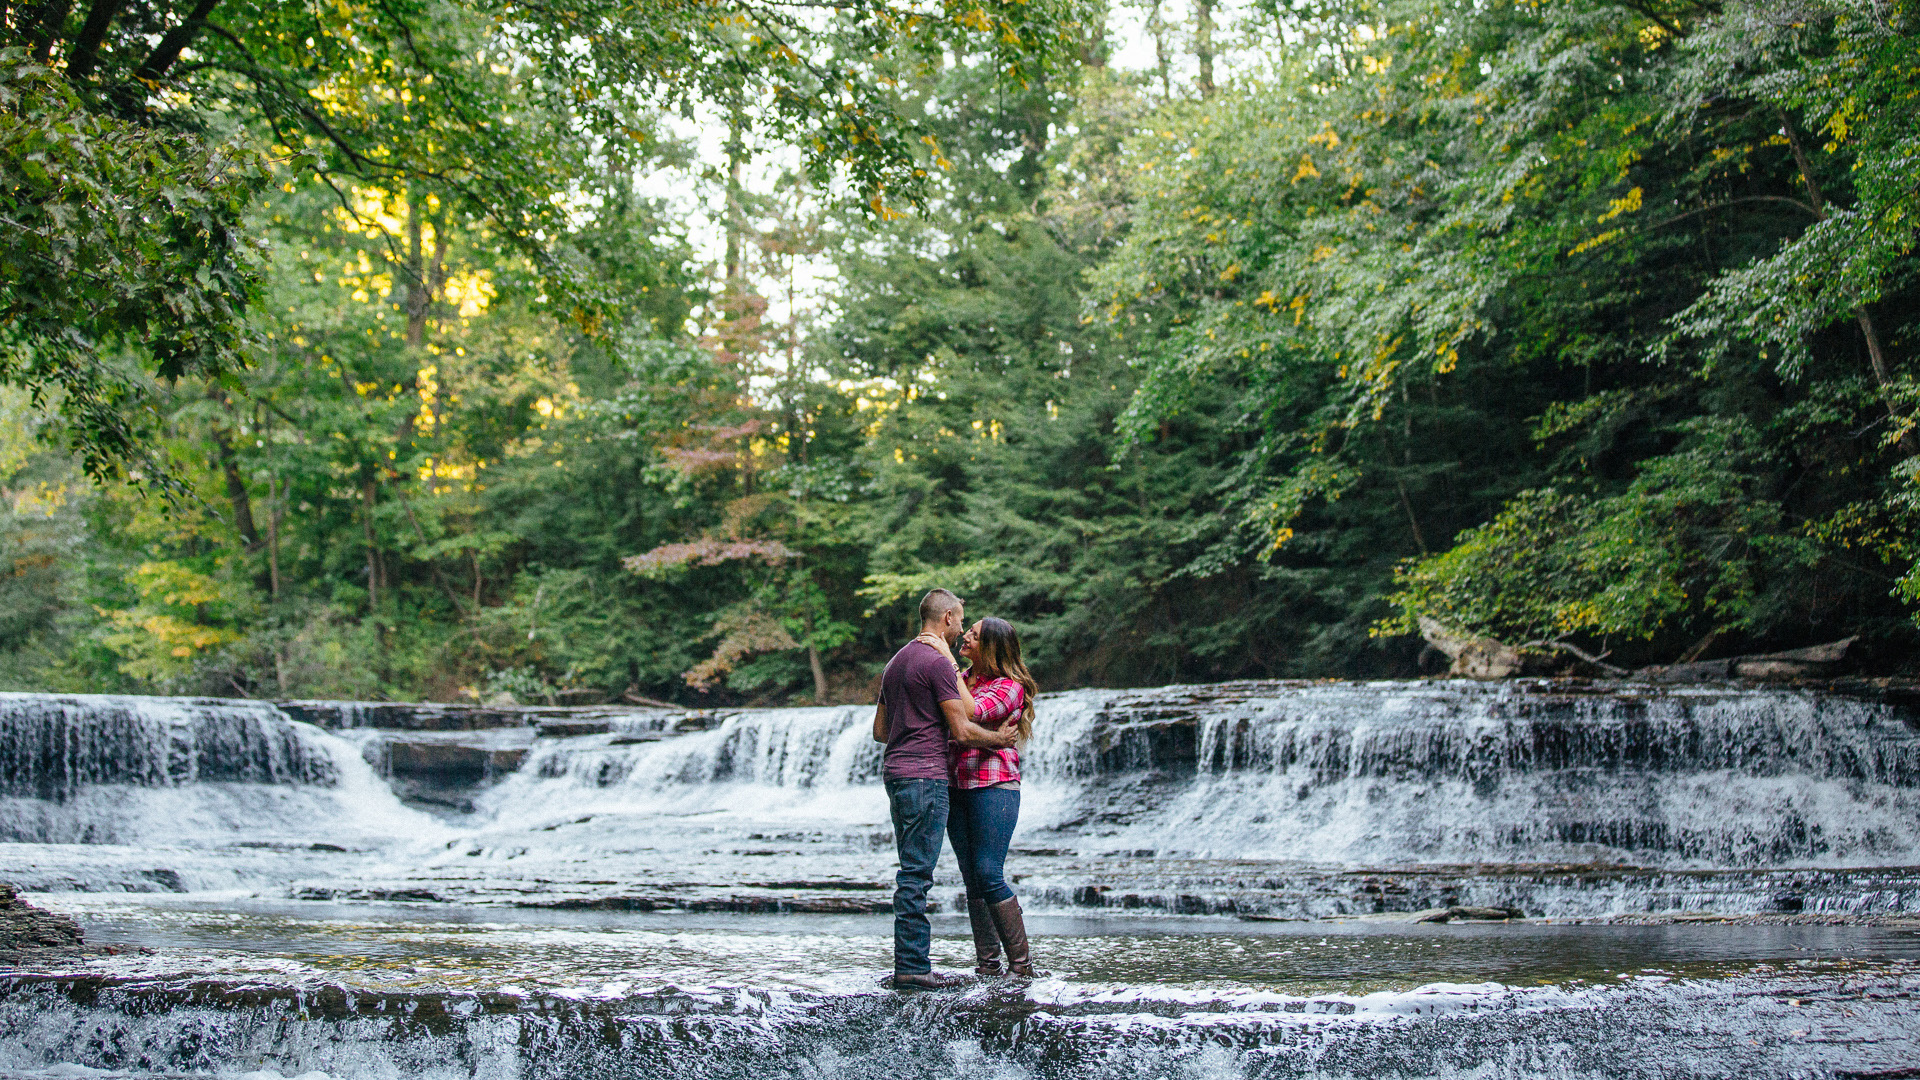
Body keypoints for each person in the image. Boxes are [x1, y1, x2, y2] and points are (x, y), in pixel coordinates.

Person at [871, 588, 1017, 990]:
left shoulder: (896, 661)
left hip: (896, 775)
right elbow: (963, 729)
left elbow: (880, 731)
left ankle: (912, 963)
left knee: (910, 870)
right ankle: (914, 967)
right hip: (926, 776)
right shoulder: (938, 663)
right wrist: (1002, 742)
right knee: (917, 875)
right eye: (961, 620)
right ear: (948, 617)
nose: (961, 631)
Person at [918, 617, 1044, 979]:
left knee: (989, 872)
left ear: (991, 646)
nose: (964, 637)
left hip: (994, 786)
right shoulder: (965, 679)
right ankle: (988, 967)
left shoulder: (1010, 686)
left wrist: (948, 664)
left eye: (973, 635)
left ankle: (1021, 967)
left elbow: (972, 711)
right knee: (971, 877)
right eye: (967, 632)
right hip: (956, 786)